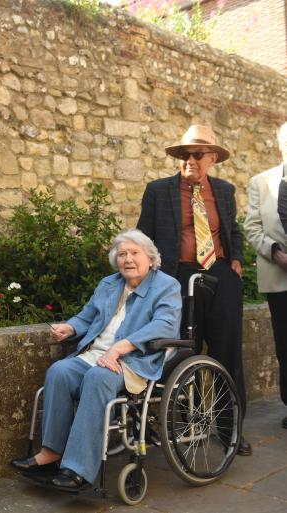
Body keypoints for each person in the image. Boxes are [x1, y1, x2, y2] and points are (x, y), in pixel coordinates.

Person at [11, 229, 182, 491]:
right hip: (95, 354)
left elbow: (166, 325)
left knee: (98, 377)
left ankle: (78, 468)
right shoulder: (109, 284)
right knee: (59, 371)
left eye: (135, 253)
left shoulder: (166, 285)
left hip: (134, 360)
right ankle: (51, 452)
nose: (128, 259)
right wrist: (69, 328)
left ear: (150, 257)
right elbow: (87, 316)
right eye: (122, 254)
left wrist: (121, 347)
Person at [136, 124, 251, 456]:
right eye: (184, 155)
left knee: (228, 353)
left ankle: (230, 429)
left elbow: (232, 230)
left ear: (212, 158)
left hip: (220, 276)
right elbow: (143, 236)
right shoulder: (158, 191)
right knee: (185, 352)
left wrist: (237, 261)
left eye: (198, 155)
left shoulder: (225, 191)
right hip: (178, 278)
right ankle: (188, 425)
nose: (190, 161)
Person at [243, 121, 287, 430]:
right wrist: (276, 253)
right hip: (279, 276)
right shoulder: (261, 182)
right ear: (281, 145)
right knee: (284, 344)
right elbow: (252, 227)